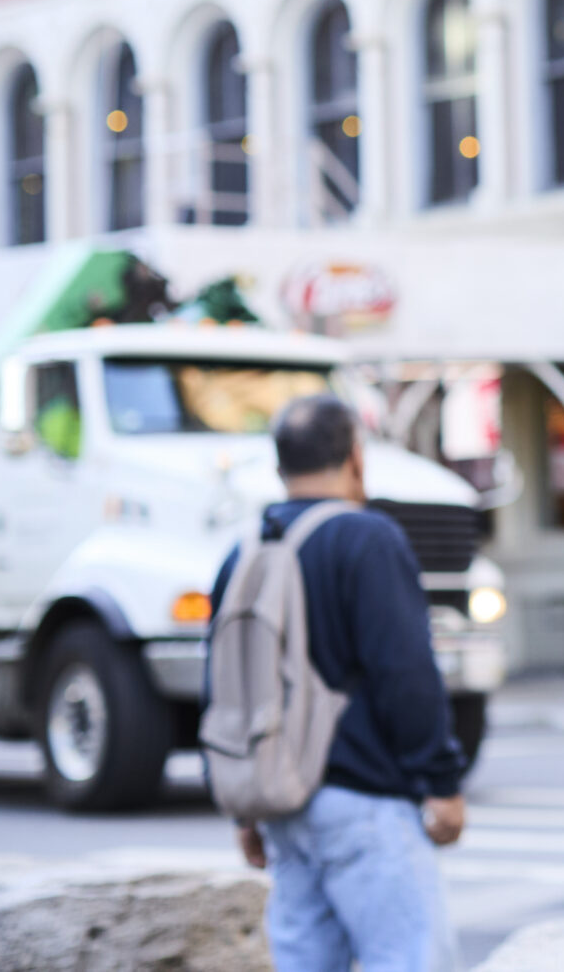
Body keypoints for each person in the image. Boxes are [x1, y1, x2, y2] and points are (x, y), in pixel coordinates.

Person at [209, 393, 466, 972]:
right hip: (364, 803)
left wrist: (245, 812)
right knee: (410, 959)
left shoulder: (241, 554)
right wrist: (440, 781)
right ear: (356, 457)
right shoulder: (367, 538)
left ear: (281, 467)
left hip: (280, 806)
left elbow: (223, 686)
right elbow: (405, 672)